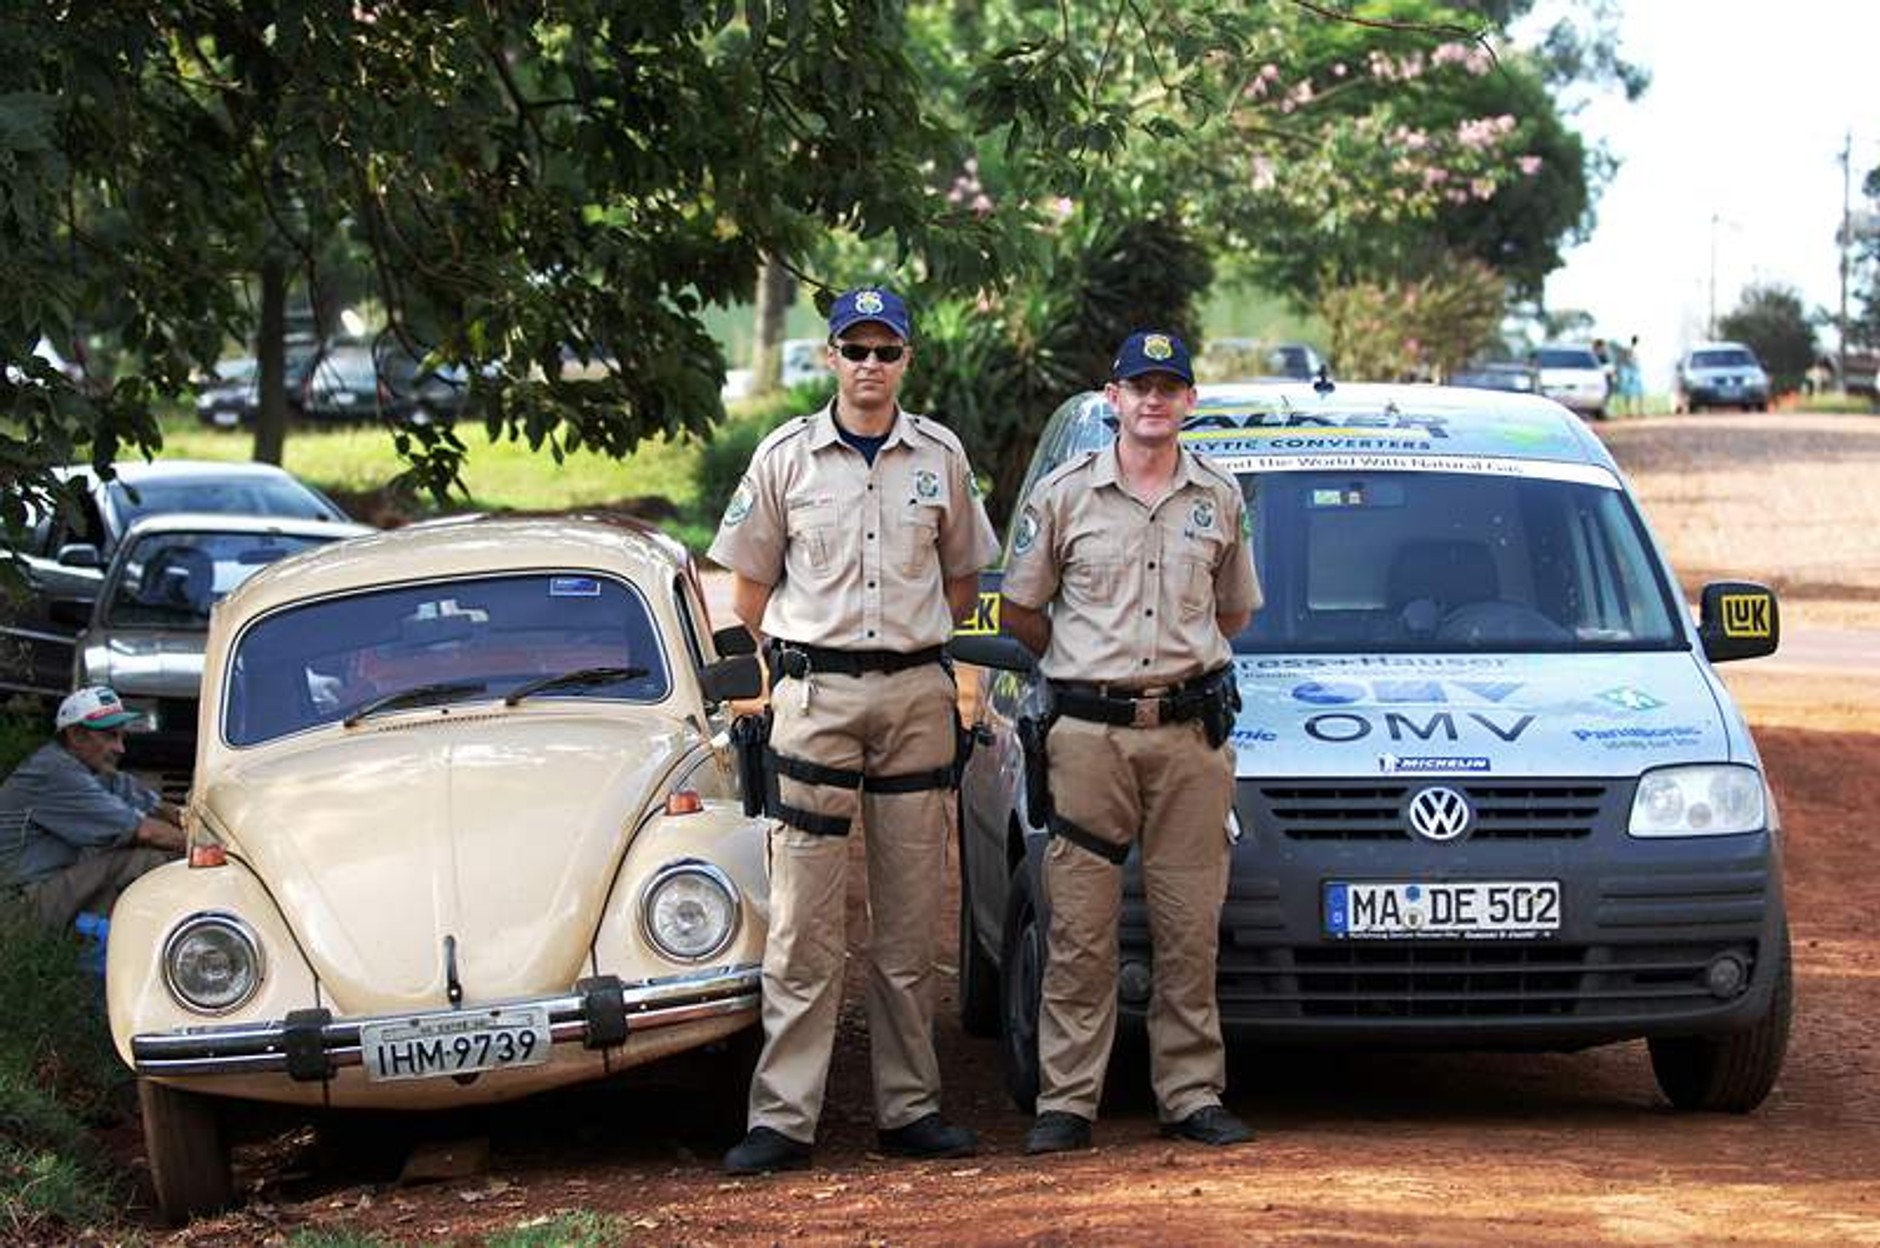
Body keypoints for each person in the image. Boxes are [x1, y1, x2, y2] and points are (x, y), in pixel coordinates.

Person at [709, 286, 1000, 1174]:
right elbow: (743, 592)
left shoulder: (939, 456)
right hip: (816, 700)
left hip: (914, 697)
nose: (871, 364)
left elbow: (965, 584)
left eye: (887, 349)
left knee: (910, 921)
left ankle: (908, 1109)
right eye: (855, 348)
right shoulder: (787, 458)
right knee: (803, 922)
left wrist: (958, 687)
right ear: (829, 357)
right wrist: (748, 691)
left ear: (907, 359)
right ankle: (783, 1119)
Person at [999, 329, 1261, 1155]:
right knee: (1080, 927)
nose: (1153, 399)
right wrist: (1089, 669)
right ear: (1111, 397)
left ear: (1189, 401)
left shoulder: (1218, 497)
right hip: (1088, 737)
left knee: (1189, 924)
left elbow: (1233, 613)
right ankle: (1068, 1101)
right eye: (1138, 385)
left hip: (1188, 736)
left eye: (1168, 386)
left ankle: (1190, 1094)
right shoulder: (1065, 495)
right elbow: (1021, 613)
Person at [0, 686, 185, 932]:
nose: (121, 748)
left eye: (121, 737)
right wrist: (208, 849)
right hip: (17, 906)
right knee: (147, 860)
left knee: (152, 853)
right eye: (110, 736)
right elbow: (146, 831)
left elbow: (158, 807)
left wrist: (190, 819)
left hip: (44, 888)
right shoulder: (56, 773)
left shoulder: (93, 770)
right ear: (76, 735)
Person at [1614, 335, 1644, 416]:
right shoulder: (1629, 349)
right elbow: (1624, 360)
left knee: (1640, 392)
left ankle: (1640, 410)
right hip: (1630, 372)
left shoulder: (1637, 349)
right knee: (1629, 392)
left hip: (1636, 372)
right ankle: (1629, 411)